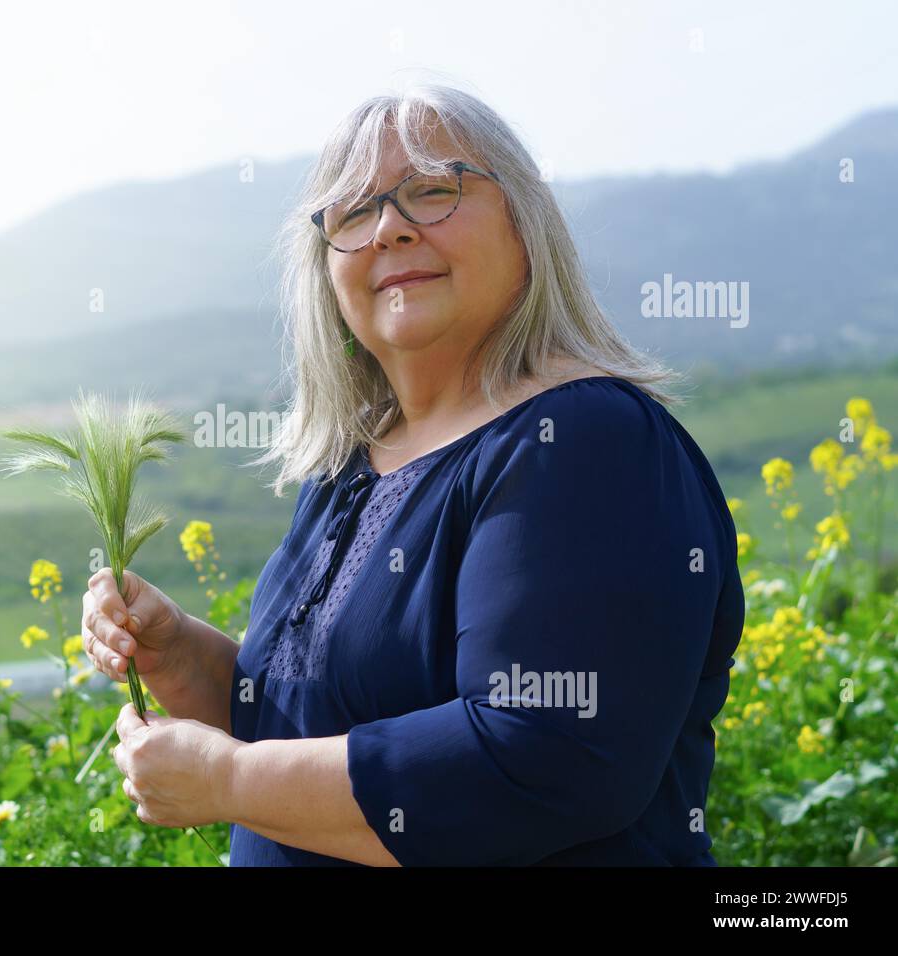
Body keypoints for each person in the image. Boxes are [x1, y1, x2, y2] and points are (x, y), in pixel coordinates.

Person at [83, 83, 744, 866]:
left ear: (526, 227)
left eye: (433, 190)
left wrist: (226, 780)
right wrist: (180, 656)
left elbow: (543, 757)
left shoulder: (583, 439)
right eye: (354, 214)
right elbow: (308, 731)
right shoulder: (350, 466)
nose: (390, 229)